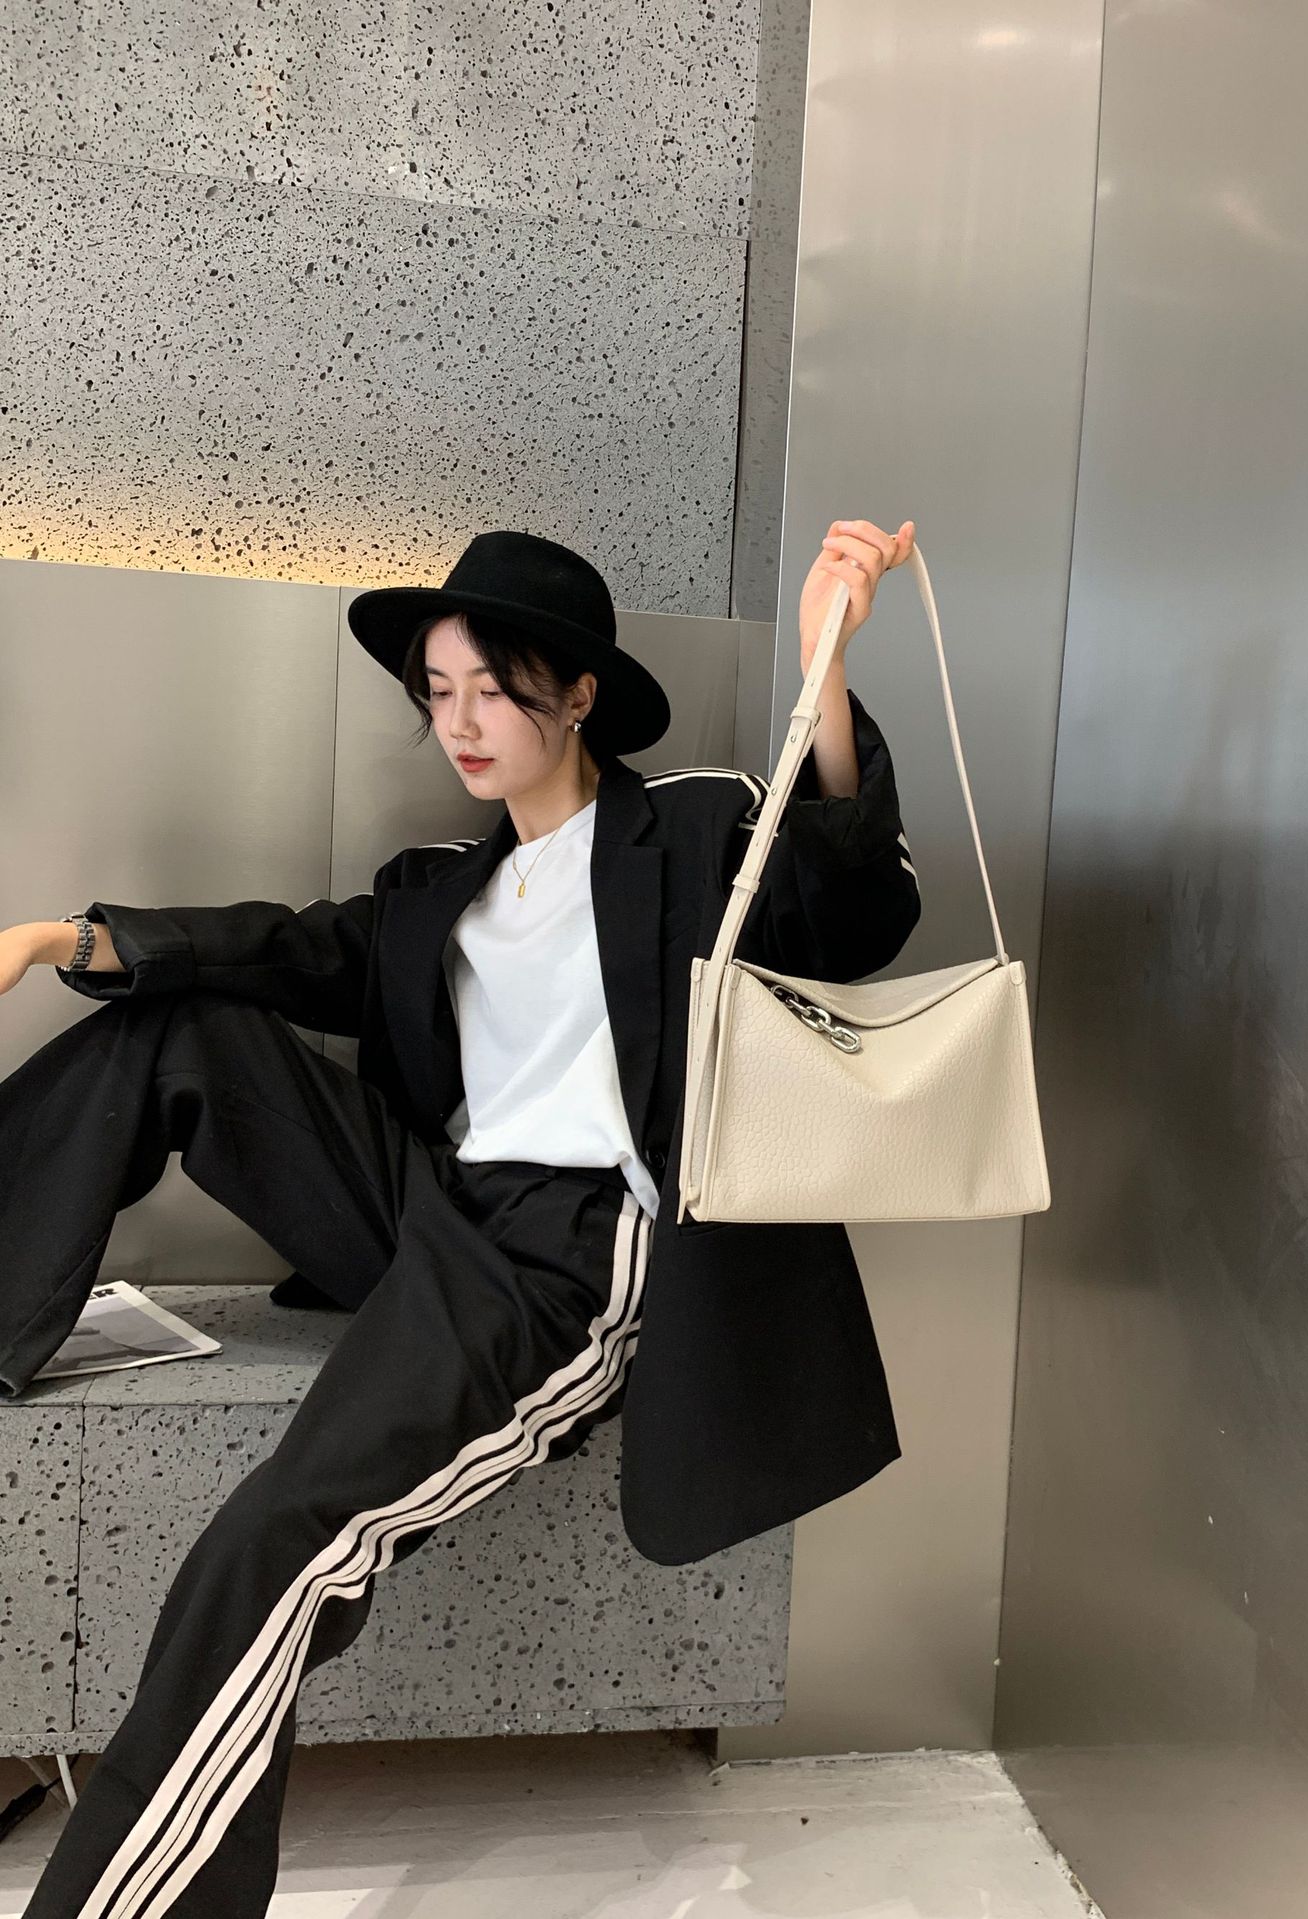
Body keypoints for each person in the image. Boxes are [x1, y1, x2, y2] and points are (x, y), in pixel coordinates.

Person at [0, 516, 920, 1918]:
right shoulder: (441, 886)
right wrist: (56, 940)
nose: (461, 723)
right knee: (179, 1027)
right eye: (438, 692)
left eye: (494, 688)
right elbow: (287, 948)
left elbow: (852, 909)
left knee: (280, 1542)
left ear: (580, 692)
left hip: (571, 1261)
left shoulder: (691, 833)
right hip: (439, 1208)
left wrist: (826, 664)